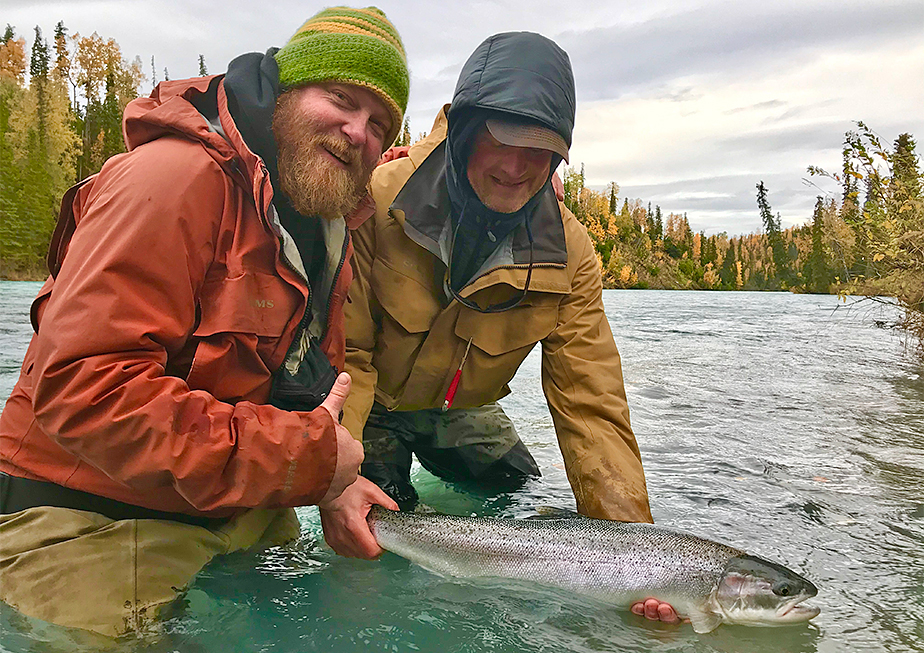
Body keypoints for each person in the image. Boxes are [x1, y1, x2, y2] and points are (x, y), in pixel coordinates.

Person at [0, 6, 407, 636]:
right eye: (340, 98)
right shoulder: (172, 179)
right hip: (83, 512)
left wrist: (333, 482)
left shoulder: (327, 231)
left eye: (379, 121)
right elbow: (83, 389)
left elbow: (316, 390)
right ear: (286, 91)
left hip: (225, 507)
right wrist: (306, 459)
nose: (358, 131)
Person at [337, 31, 681, 624]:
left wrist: (636, 557)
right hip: (372, 404)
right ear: (468, 130)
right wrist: (334, 472)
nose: (518, 167)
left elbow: (590, 401)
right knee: (375, 534)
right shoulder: (376, 202)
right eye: (502, 141)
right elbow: (350, 356)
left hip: (462, 407)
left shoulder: (570, 254)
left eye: (541, 150)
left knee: (516, 490)